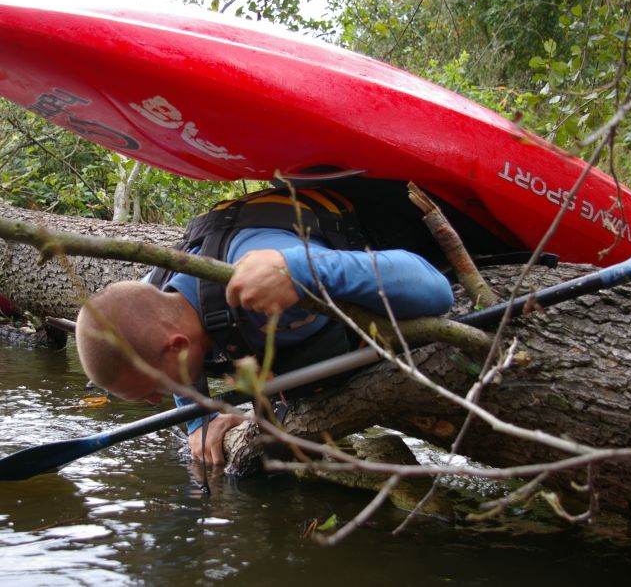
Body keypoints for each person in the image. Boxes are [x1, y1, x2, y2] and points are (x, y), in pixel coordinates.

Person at [75, 188, 454, 465]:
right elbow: (157, 338)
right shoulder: (153, 295)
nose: (158, 401)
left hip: (398, 221)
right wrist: (198, 421)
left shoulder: (263, 278)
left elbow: (434, 288)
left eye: (157, 388)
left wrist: (299, 269)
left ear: (177, 345)